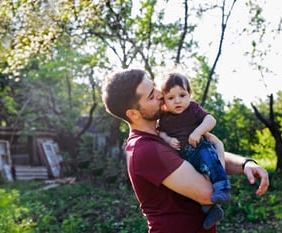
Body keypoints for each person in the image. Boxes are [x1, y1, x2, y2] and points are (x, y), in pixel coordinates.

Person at [102, 68, 269, 233]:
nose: (161, 94)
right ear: (134, 114)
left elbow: (201, 157)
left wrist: (245, 164)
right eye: (151, 96)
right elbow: (209, 192)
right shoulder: (147, 149)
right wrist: (219, 147)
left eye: (154, 87)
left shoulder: (164, 131)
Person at [157, 73, 230, 229]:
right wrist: (169, 140)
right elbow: (161, 132)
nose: (177, 101)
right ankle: (212, 209)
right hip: (184, 157)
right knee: (191, 183)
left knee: (210, 160)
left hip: (199, 147)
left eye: (182, 95)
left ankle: (222, 187)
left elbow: (211, 120)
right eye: (171, 98)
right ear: (164, 101)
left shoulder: (193, 109)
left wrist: (197, 132)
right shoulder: (164, 118)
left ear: (190, 95)